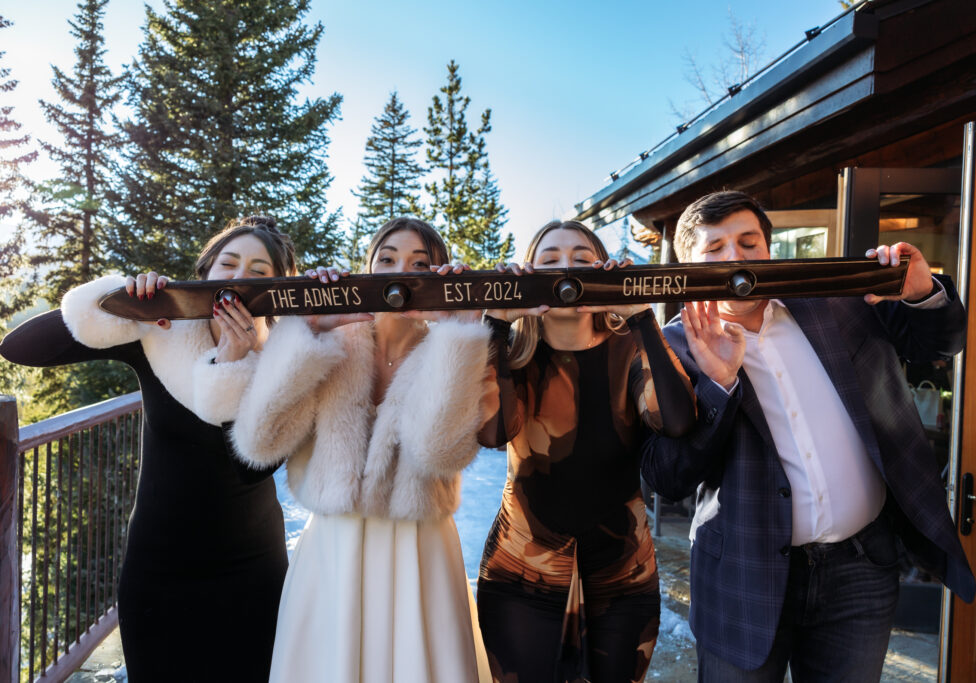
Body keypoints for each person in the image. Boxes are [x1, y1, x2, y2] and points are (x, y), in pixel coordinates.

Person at [640, 191, 976, 681]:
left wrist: (924, 293)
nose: (735, 257)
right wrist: (720, 385)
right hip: (742, 578)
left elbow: (939, 344)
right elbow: (665, 477)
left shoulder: (835, 302)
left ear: (769, 250)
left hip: (861, 569)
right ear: (689, 267)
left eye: (748, 242)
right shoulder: (671, 349)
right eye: (714, 250)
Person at [0, 216, 297, 681]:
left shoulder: (286, 356)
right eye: (229, 264)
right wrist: (118, 301)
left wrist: (233, 363)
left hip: (251, 573)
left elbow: (254, 467)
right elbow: (20, 346)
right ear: (204, 275)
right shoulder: (160, 335)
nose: (240, 280)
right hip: (159, 570)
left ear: (278, 288)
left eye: (259, 273)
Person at [229, 217, 492, 683]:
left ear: (440, 276)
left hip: (420, 551)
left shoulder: (454, 347)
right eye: (386, 258)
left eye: (420, 263)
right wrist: (305, 334)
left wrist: (458, 336)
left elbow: (439, 453)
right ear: (367, 266)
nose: (399, 271)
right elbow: (260, 440)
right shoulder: (331, 341)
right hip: (335, 549)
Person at [476, 220, 697, 683]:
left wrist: (640, 316)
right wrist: (495, 323)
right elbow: (492, 432)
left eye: (581, 258)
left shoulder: (630, 348)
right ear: (530, 273)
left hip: (622, 576)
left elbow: (675, 420)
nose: (566, 271)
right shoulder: (514, 355)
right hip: (523, 574)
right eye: (550, 259)